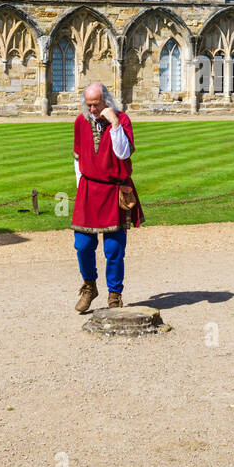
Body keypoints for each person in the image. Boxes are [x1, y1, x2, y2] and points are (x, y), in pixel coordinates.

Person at [71, 82, 143, 313]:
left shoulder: (122, 121)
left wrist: (113, 123)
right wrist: (80, 185)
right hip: (89, 189)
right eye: (88, 104)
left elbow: (123, 153)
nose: (92, 109)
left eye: (96, 104)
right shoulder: (81, 121)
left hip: (114, 189)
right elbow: (77, 157)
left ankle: (115, 294)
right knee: (83, 245)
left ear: (106, 102)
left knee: (113, 249)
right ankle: (90, 286)